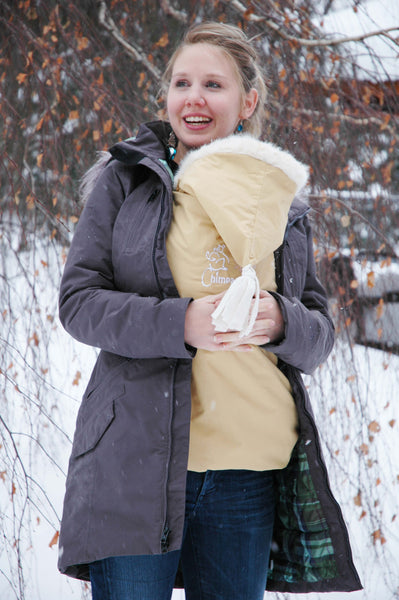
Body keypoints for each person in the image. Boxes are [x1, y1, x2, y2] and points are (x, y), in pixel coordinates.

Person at [57, 21, 362, 600]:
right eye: (181, 82)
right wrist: (182, 324)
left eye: (213, 85)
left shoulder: (280, 203)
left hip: (245, 471)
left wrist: (280, 319)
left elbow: (319, 333)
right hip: (135, 463)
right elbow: (79, 302)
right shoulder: (127, 183)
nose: (193, 97)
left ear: (247, 102)